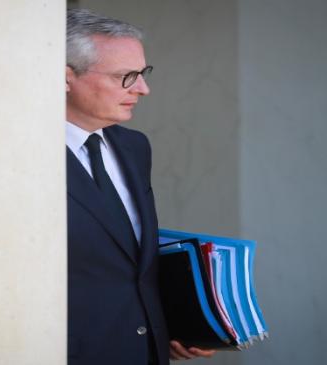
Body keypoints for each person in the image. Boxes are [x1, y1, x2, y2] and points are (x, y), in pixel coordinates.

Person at [65, 9, 216, 365]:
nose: (143, 89)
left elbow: (128, 259)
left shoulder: (134, 146)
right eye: (126, 76)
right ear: (65, 77)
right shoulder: (18, 158)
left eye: (143, 73)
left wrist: (171, 325)